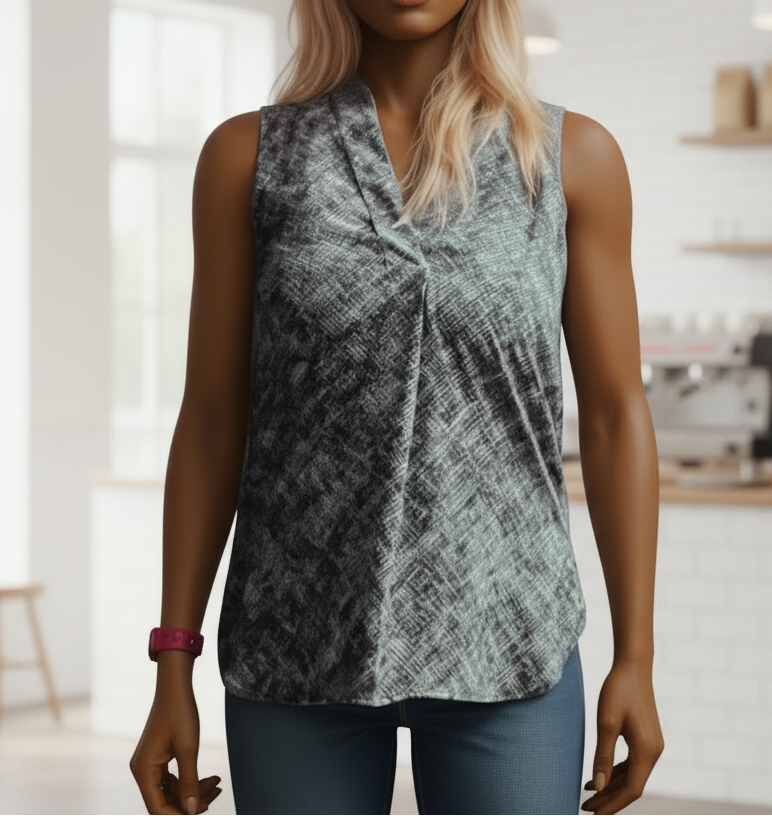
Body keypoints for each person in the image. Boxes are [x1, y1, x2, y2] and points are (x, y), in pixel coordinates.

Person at [129, 1, 664, 814]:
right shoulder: (250, 158)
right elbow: (211, 420)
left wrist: (637, 658)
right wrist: (174, 659)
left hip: (508, 633)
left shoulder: (569, 160)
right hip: (296, 642)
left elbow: (617, 415)